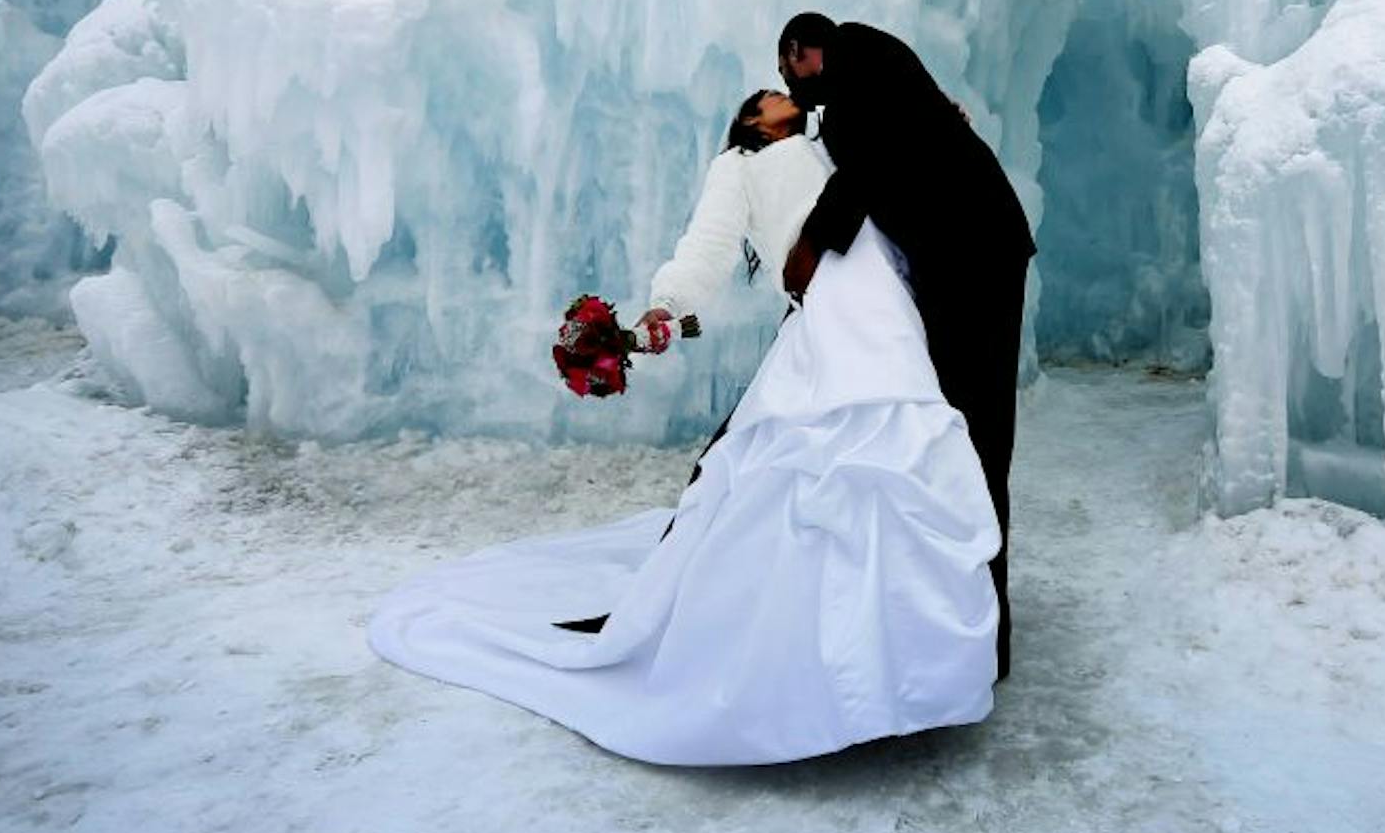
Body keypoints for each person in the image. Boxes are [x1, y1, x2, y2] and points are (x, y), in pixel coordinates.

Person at [366, 89, 1002, 766]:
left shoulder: (829, 141)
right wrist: (663, 309)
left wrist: (937, 123)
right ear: (752, 121)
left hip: (883, 290)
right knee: (834, 453)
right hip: (833, 298)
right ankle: (818, 673)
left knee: (894, 443)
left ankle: (898, 664)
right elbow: (708, 247)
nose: (782, 93)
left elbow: (888, 175)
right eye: (768, 96)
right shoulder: (740, 164)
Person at [776, 12, 1034, 680]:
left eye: (787, 71)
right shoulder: (872, 67)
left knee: (974, 436)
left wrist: (810, 245)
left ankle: (981, 633)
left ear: (804, 50)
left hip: (973, 258)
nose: (790, 85)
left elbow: (868, 162)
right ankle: (967, 621)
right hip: (968, 258)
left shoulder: (860, 62)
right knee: (963, 436)